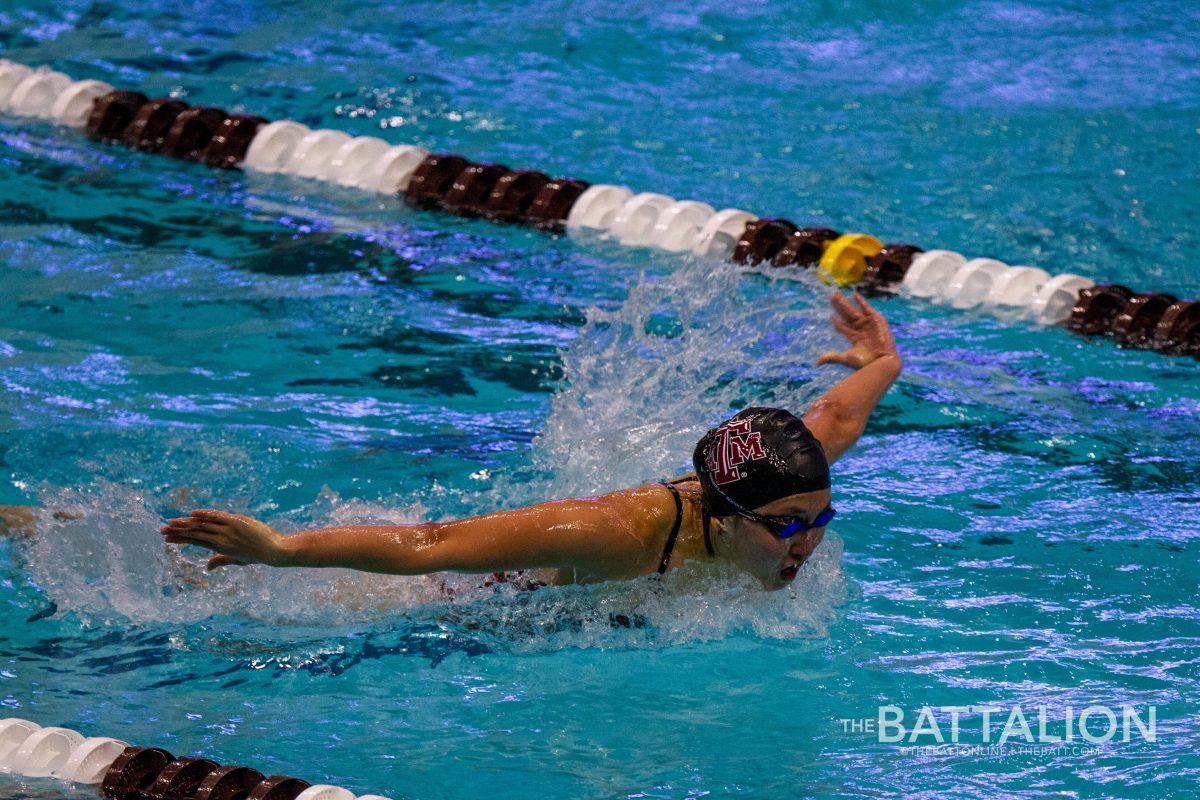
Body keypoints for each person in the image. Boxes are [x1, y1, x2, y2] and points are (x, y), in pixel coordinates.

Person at [160, 290, 901, 592]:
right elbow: (431, 544)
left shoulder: (783, 483)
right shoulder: (614, 533)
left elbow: (834, 420)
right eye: (790, 529)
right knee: (214, 589)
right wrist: (285, 551)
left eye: (818, 522)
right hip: (469, 601)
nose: (807, 541)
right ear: (727, 513)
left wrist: (885, 362)